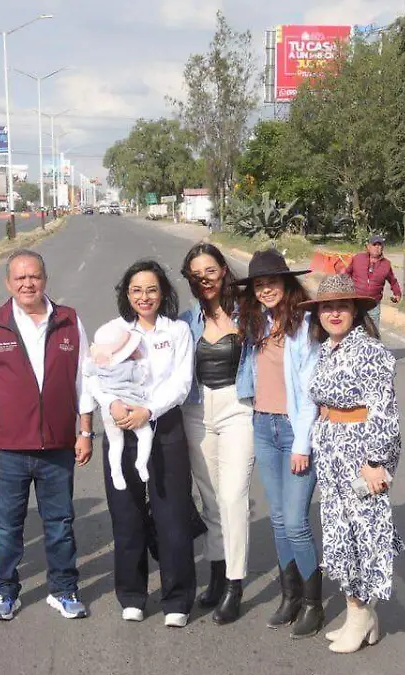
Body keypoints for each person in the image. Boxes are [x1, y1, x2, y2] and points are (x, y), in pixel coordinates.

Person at [0, 249, 96, 621]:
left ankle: (64, 590)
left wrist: (85, 431)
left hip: (57, 448)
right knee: (7, 529)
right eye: (20, 278)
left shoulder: (69, 321)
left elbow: (85, 381)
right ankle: (5, 593)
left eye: (34, 276)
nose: (28, 284)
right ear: (8, 283)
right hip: (6, 450)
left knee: (60, 525)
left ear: (45, 279)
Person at [299, 274, 404, 654]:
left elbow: (384, 410)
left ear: (355, 311)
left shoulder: (370, 352)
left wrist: (376, 462)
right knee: (341, 534)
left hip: (360, 458)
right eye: (327, 307)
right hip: (333, 458)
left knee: (362, 536)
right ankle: (358, 615)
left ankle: (361, 616)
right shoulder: (328, 349)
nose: (334, 313)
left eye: (341, 306)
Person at [88, 260, 196, 628]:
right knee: (126, 514)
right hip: (122, 426)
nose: (144, 297)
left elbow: (181, 382)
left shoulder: (177, 331)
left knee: (172, 515)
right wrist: (113, 405)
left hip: (164, 427)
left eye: (151, 289)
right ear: (127, 294)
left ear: (162, 292)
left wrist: (148, 411)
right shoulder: (113, 331)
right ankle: (132, 594)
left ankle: (177, 598)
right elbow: (93, 377)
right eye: (136, 290)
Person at [234, 248, 323, 638]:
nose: (265, 290)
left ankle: (313, 603)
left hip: (294, 430)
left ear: (286, 283)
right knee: (278, 519)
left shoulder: (305, 324)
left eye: (271, 282)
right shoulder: (256, 322)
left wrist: (302, 443)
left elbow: (311, 389)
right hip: (263, 425)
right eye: (259, 284)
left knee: (297, 522)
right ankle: (290, 597)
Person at [178, 243, 255, 624]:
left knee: (232, 496)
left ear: (223, 270)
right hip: (196, 410)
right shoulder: (186, 320)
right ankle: (217, 574)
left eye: (210, 270)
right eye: (197, 274)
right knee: (210, 499)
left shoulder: (249, 314)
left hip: (237, 407)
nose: (204, 278)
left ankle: (235, 585)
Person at [84, 321, 152, 491]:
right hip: (132, 407)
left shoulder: (98, 366)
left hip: (109, 411)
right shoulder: (129, 367)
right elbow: (143, 377)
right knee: (145, 434)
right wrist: (139, 358)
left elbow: (86, 372)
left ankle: (116, 472)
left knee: (115, 443)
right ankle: (141, 463)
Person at [339, 235, 401, 326]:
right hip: (356, 301)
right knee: (352, 328)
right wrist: (342, 287)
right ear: (368, 247)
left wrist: (397, 293)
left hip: (373, 304)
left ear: (383, 247)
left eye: (379, 245)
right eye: (374, 245)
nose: (377, 247)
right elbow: (347, 274)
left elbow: (393, 281)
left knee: (373, 330)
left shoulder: (386, 264)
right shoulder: (358, 258)